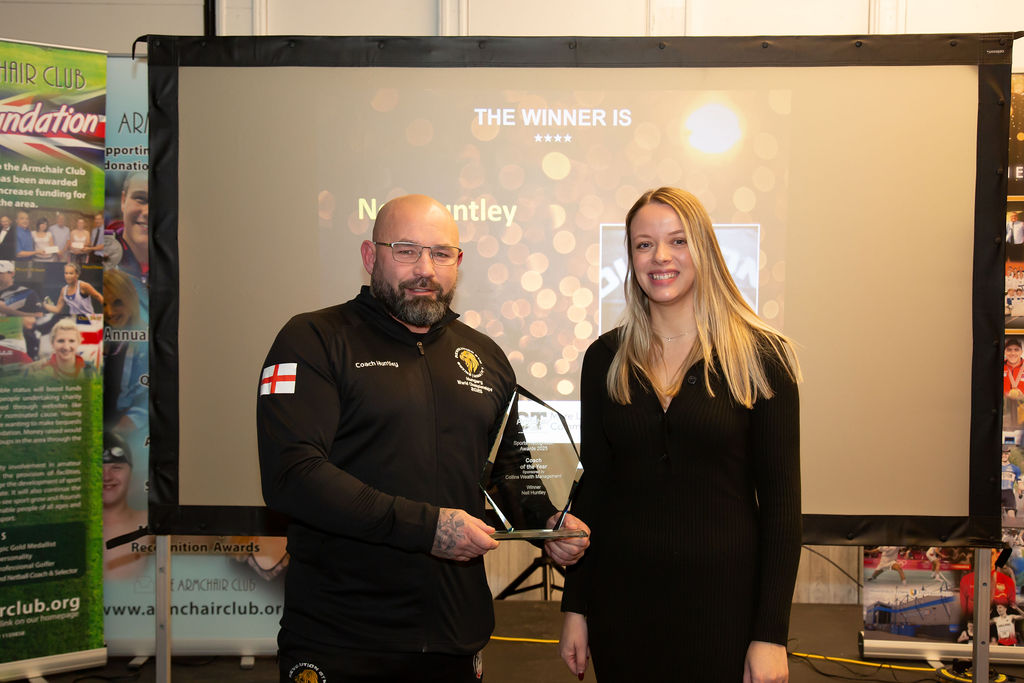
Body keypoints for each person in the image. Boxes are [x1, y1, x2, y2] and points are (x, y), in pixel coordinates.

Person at [257, 194, 589, 683]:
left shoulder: (485, 356)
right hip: (341, 638)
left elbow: (505, 473)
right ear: (370, 256)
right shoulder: (314, 338)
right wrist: (426, 527)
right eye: (406, 251)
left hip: (456, 640)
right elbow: (292, 475)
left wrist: (548, 521)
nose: (425, 269)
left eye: (440, 254)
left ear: (458, 262)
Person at [558, 187, 801, 683]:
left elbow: (781, 507)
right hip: (620, 607)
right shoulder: (605, 358)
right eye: (644, 244)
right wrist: (575, 606)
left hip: (725, 611)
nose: (660, 257)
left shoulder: (762, 357)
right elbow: (595, 489)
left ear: (704, 249)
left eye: (677, 241)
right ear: (631, 258)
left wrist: (771, 634)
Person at [102, 268, 148, 435]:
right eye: (104, 304)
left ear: (130, 300)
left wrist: (118, 431)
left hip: (122, 428)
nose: (110, 312)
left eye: (117, 303)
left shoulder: (145, 339)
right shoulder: (92, 332)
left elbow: (150, 395)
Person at [101, 432, 152, 580]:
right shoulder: (73, 531)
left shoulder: (151, 524)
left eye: (116, 468)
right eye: (99, 468)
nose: (107, 476)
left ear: (131, 473)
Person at [0, 259, 44, 360]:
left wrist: (7, 310)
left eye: (0, 273)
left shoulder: (27, 293)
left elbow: (37, 316)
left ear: (12, 273)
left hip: (15, 343)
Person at [27, 317, 93, 380]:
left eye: (71, 341)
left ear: (79, 342)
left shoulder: (90, 370)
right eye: (61, 341)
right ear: (52, 343)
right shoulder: (36, 372)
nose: (66, 347)